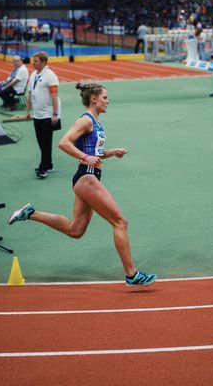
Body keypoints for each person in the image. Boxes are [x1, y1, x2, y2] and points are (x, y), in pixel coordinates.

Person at [8, 82, 157, 287]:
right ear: (94, 99)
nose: (108, 101)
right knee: (120, 222)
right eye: (105, 97)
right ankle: (131, 274)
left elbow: (94, 153)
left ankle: (30, 212)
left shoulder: (95, 122)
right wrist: (85, 157)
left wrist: (112, 153)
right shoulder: (86, 120)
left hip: (87, 177)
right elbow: (64, 143)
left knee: (75, 230)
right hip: (87, 177)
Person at [26, 51, 61, 179]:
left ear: (44, 62)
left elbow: (54, 95)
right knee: (41, 141)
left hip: (48, 114)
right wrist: (28, 111)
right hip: (37, 114)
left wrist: (55, 114)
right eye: (33, 60)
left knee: (46, 142)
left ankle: (43, 168)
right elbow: (30, 94)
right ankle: (49, 164)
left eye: (36, 61)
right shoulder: (33, 74)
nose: (33, 63)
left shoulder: (50, 75)